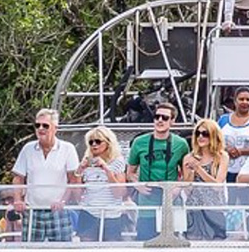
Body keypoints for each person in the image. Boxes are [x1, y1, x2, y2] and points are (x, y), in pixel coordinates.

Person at [11, 109, 79, 242]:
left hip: (59, 211)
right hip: (33, 210)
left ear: (55, 128)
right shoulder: (28, 149)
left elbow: (73, 179)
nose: (40, 129)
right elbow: (18, 178)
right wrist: (18, 200)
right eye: (37, 125)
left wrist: (63, 201)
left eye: (45, 125)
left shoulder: (68, 148)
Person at [126, 102, 190, 240]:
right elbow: (130, 172)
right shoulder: (139, 142)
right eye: (157, 116)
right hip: (147, 202)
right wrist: (138, 185)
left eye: (165, 118)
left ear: (172, 121)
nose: (160, 120)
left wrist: (177, 188)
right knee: (145, 243)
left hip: (171, 201)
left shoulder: (181, 144)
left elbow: (186, 175)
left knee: (174, 244)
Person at [74, 126, 128, 241]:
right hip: (89, 213)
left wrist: (106, 169)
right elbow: (77, 195)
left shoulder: (117, 161)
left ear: (108, 143)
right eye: (91, 142)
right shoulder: (86, 162)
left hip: (111, 214)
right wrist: (79, 171)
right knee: (87, 251)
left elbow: (119, 193)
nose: (94, 145)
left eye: (98, 141)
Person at [181, 119, 229, 240]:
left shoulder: (222, 157)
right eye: (198, 133)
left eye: (205, 133)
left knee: (217, 245)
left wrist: (198, 169)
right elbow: (187, 188)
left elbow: (217, 186)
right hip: (194, 209)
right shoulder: (188, 157)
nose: (200, 137)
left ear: (213, 135)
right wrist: (191, 170)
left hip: (215, 208)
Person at [217, 86, 249, 182]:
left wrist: (241, 151)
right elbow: (214, 141)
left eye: (248, 99)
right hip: (224, 170)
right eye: (241, 99)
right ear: (235, 101)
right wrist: (227, 150)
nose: (245, 102)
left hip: (248, 172)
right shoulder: (223, 120)